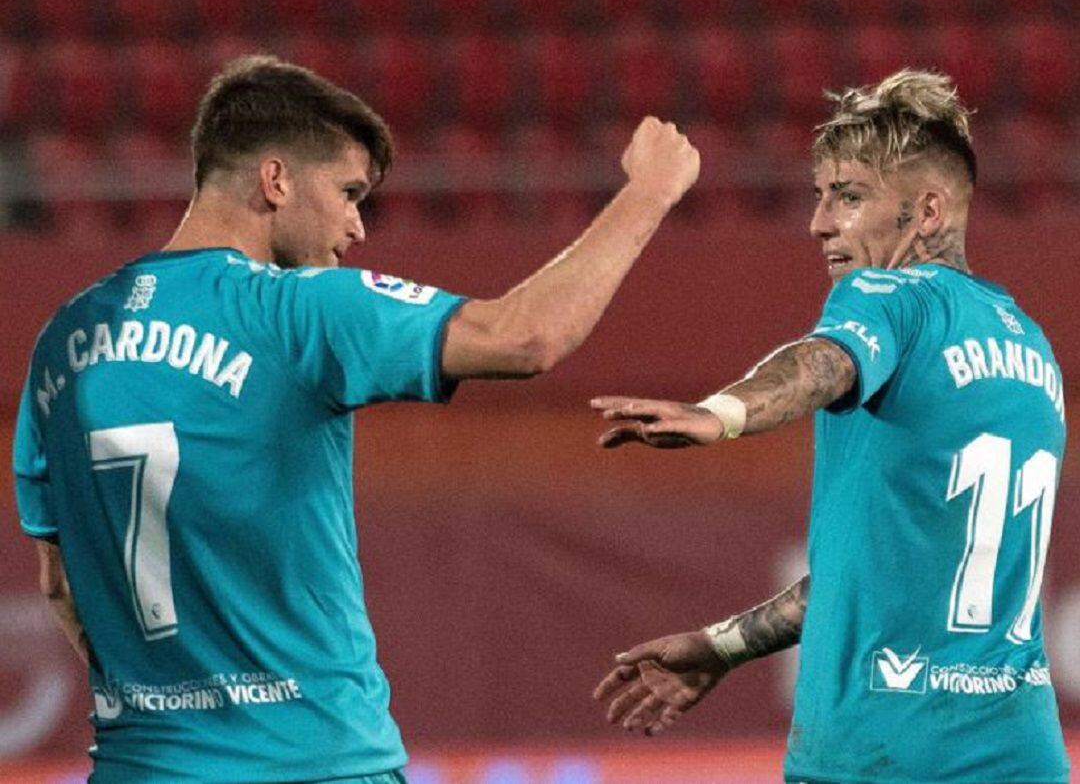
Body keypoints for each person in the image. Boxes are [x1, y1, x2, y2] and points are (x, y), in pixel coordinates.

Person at [13, 55, 699, 783]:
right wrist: (650, 192)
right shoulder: (294, 309)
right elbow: (524, 337)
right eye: (348, 193)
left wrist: (178, 710)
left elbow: (60, 582)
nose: (356, 227)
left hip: (141, 766)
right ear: (275, 180)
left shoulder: (65, 342)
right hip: (315, 761)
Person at [591, 69, 1069, 784]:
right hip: (1022, 754)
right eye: (821, 196)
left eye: (848, 196)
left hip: (882, 751)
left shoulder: (887, 295)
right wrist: (723, 644)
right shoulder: (1033, 344)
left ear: (928, 211)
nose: (819, 222)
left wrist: (721, 413)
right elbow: (869, 575)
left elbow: (821, 362)